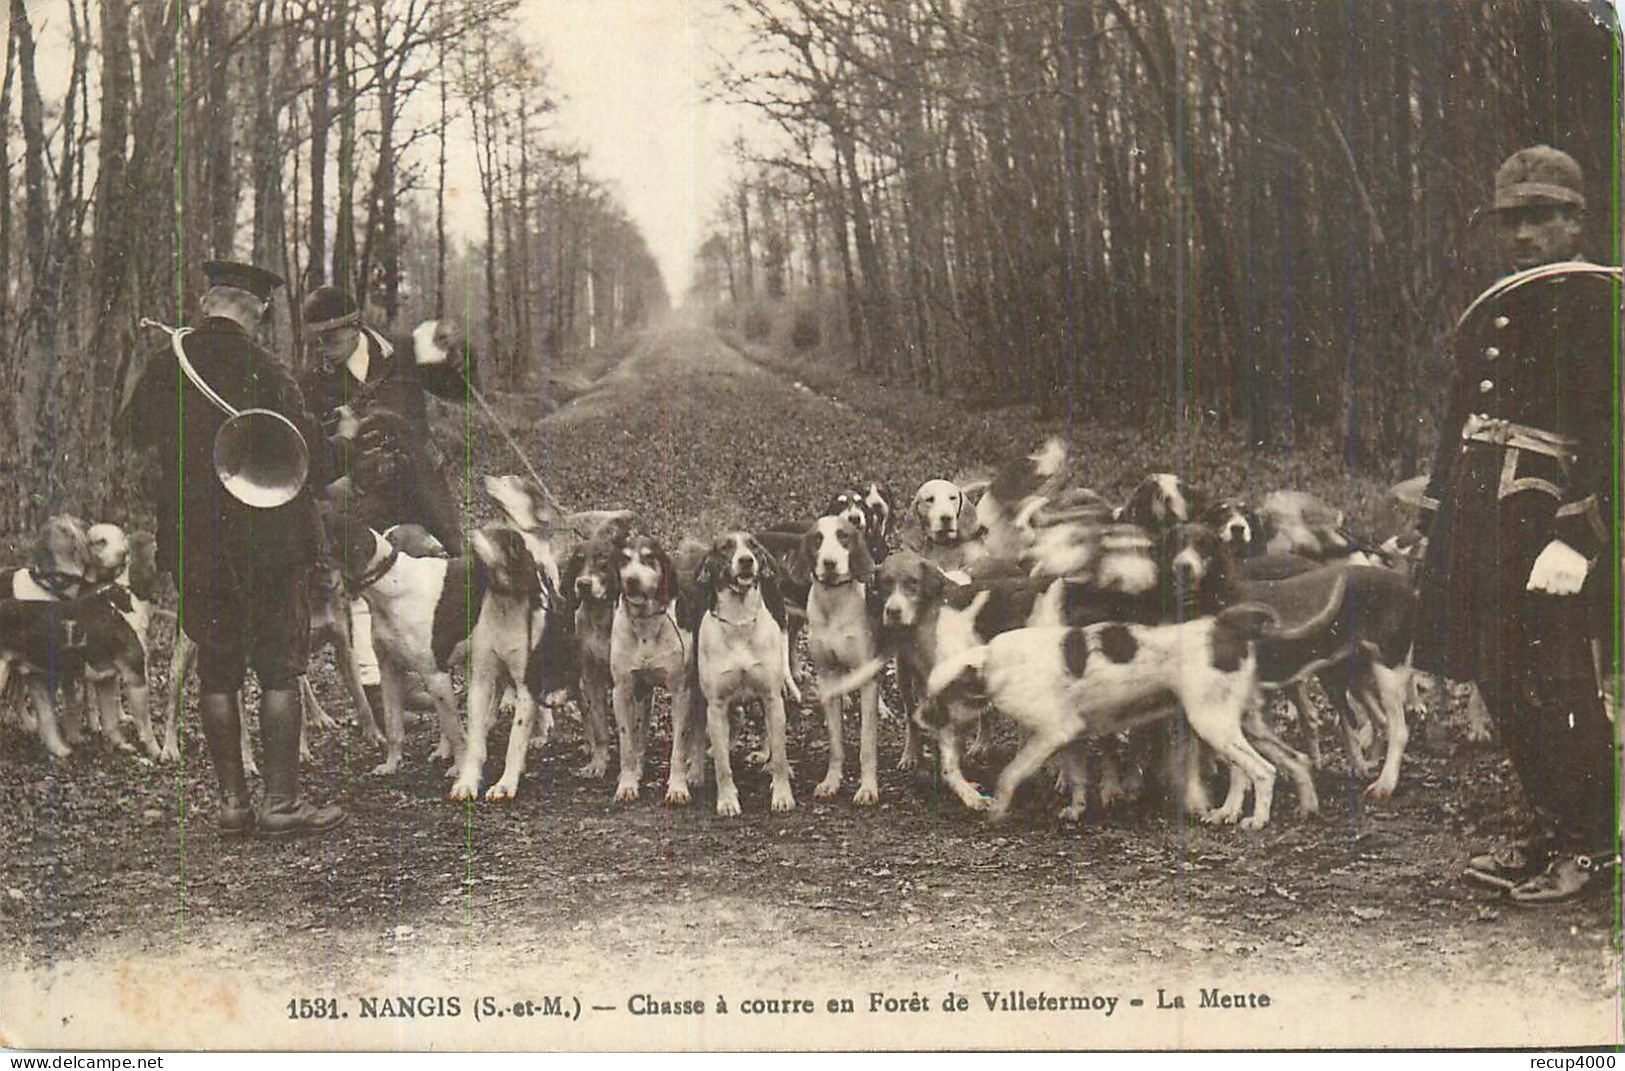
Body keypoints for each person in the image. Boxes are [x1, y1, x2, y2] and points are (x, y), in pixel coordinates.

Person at [1415, 145, 1620, 905]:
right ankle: (1553, 820)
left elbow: (1614, 430)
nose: (1523, 234)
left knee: (1559, 677)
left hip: (1547, 519)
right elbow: (1458, 418)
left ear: (1575, 218)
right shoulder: (1496, 301)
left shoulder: (1603, 300)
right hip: (1479, 512)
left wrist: (1582, 533)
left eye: (1540, 217)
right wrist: (1432, 516)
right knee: (1497, 673)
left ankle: (1594, 843)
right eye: (1510, 220)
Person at [121, 260, 343, 838]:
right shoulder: (267, 367)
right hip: (271, 545)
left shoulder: (170, 365)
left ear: (207, 302)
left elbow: (129, 434)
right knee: (277, 671)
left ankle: (232, 805)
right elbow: (312, 463)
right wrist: (337, 439)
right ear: (258, 309)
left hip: (196, 544)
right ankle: (282, 804)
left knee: (216, 674)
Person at [298, 286, 475, 718]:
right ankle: (384, 692)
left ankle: (469, 662)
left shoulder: (405, 352)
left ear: (354, 327)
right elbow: (314, 443)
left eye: (331, 339)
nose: (323, 351)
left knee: (454, 562)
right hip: (363, 491)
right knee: (365, 586)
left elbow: (461, 390)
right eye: (316, 341)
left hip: (421, 484)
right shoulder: (312, 381)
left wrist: (460, 352)